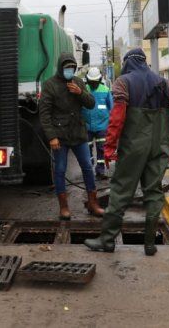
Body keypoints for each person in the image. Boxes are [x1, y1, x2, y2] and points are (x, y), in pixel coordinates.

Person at [84, 48, 169, 256]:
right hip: (159, 145)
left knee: (120, 191)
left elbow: (117, 117)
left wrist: (108, 146)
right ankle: (150, 244)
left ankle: (107, 241)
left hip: (134, 146)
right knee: (153, 192)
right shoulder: (164, 83)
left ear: (128, 63)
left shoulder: (123, 82)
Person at [40, 53, 104, 220]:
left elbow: (91, 104)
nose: (69, 70)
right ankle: (64, 207)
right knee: (60, 170)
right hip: (60, 137)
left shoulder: (78, 82)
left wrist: (80, 92)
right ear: (61, 68)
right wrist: (52, 137)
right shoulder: (50, 85)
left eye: (72, 68)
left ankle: (93, 203)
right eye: (67, 67)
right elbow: (44, 114)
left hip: (79, 134)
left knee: (87, 167)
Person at [81, 67, 113, 180]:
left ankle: (100, 170)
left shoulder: (105, 90)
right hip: (87, 126)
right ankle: (88, 171)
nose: (94, 84)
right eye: (92, 81)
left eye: (95, 81)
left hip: (102, 127)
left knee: (101, 149)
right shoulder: (84, 90)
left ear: (99, 80)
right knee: (86, 150)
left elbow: (111, 108)